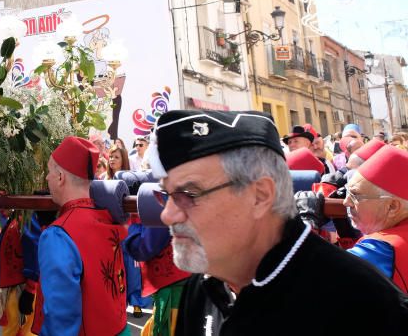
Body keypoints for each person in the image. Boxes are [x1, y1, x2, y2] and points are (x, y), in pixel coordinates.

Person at [149, 109, 408, 335]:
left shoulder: (361, 302)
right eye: (166, 195)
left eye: (189, 195)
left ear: (259, 196)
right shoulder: (204, 285)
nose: (167, 215)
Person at [34, 136, 129, 336]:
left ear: (60, 177)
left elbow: (60, 319)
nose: (47, 178)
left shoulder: (59, 234)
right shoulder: (107, 219)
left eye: (50, 171)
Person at [344, 145, 408, 291]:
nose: (346, 202)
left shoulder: (381, 249)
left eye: (355, 195)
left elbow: (314, 280)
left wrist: (308, 222)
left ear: (392, 207)